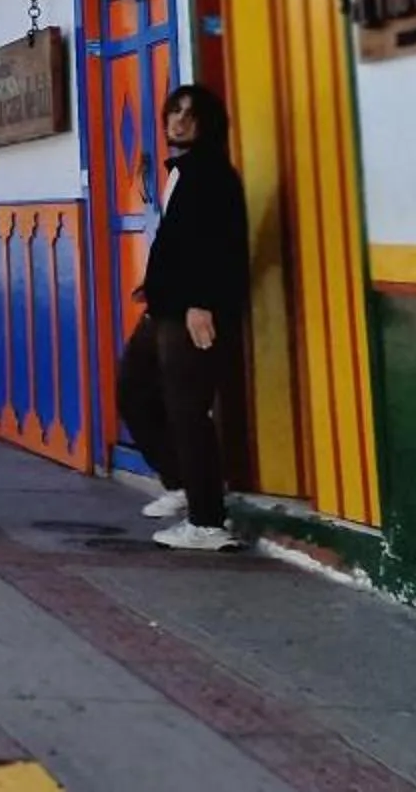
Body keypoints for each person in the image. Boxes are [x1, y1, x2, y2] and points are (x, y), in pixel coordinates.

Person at [119, 83, 251, 553]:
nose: (178, 120)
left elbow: (219, 246)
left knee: (187, 411)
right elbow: (179, 243)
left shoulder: (210, 173)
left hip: (190, 312)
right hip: (166, 306)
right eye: (174, 111)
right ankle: (180, 483)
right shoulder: (185, 171)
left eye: (190, 115)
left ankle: (208, 521)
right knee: (133, 389)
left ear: (208, 123)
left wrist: (201, 303)